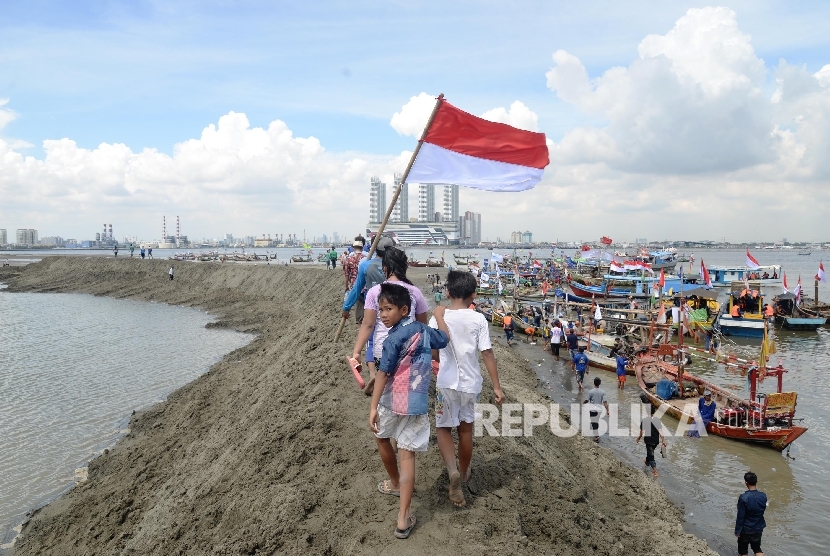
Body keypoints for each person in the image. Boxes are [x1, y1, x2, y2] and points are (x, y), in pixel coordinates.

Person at [368, 283, 449, 540]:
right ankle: (403, 518)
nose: (382, 315)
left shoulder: (392, 340)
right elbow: (444, 340)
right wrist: (439, 317)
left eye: (388, 309)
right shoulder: (424, 331)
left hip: (392, 401)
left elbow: (383, 374)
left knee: (382, 438)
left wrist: (372, 407)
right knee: (408, 457)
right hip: (415, 404)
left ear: (404, 310)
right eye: (380, 309)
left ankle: (394, 484)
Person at [430, 271, 504, 508]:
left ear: (448, 293)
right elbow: (487, 353)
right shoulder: (478, 319)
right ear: (473, 295)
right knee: (465, 431)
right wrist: (497, 386)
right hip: (471, 385)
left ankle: (452, 470)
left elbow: (434, 351)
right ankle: (463, 472)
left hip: (446, 382)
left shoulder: (437, 318)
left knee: (443, 427)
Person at [352, 247, 429, 396]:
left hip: (382, 351)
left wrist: (357, 352)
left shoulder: (375, 291)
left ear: (384, 268)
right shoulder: (415, 292)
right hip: (408, 352)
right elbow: (422, 327)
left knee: (385, 395)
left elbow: (368, 324)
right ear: (405, 268)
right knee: (405, 394)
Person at [343, 236, 393, 330]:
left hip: (372, 306)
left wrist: (346, 307)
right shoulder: (395, 265)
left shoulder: (365, 264)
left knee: (371, 333)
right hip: (392, 307)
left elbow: (357, 289)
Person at [735, 472, 767, 556]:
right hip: (758, 528)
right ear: (756, 481)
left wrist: (737, 531)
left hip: (746, 529)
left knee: (743, 551)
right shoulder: (763, 496)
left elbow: (740, 516)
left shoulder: (743, 497)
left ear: (746, 482)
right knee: (757, 549)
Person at [636, 403, 667, 477]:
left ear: (647, 412)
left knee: (651, 455)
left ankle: (655, 471)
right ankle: (647, 461)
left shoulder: (645, 420)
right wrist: (663, 440)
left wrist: (639, 438)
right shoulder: (657, 420)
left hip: (649, 441)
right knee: (650, 452)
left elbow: (642, 432)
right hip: (656, 441)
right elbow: (660, 431)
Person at [343, 240, 366, 322]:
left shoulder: (348, 259)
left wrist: (346, 286)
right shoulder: (365, 258)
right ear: (362, 248)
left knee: (359, 305)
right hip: (365, 285)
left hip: (354, 285)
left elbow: (346, 274)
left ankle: (360, 320)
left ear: (353, 248)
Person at [583, 377, 608, 442]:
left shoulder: (590, 391)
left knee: (594, 422)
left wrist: (583, 404)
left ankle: (597, 436)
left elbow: (587, 400)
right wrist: (608, 410)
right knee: (595, 421)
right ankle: (596, 432)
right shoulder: (603, 392)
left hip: (592, 410)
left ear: (594, 383)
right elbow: (605, 402)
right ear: (600, 383)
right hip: (599, 410)